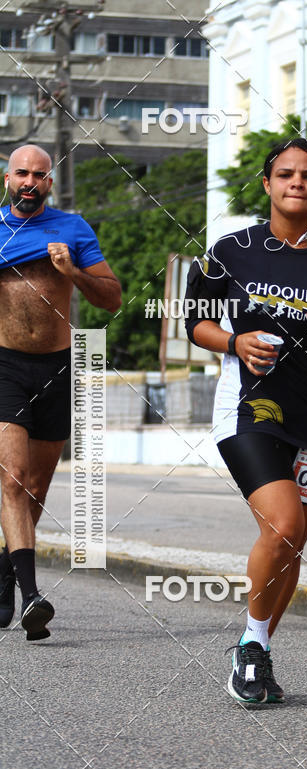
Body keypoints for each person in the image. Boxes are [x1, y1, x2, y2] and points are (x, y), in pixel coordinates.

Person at [185, 138, 307, 704]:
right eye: (286, 174)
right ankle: (249, 645)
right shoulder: (231, 249)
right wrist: (235, 341)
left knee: (290, 544)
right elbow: (194, 323)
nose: (297, 183)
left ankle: (257, 648)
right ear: (267, 184)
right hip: (248, 408)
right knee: (285, 524)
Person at [0, 144, 121, 640]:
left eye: (39, 175)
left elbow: (112, 298)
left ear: (49, 182)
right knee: (13, 479)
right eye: (21, 173)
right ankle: (32, 596)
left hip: (57, 367)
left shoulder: (73, 228)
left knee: (36, 488)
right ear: (8, 179)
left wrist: (72, 271)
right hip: (5, 365)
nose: (29, 182)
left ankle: (6, 571)